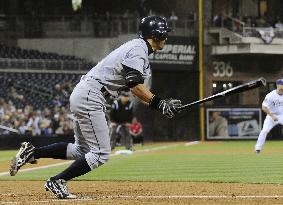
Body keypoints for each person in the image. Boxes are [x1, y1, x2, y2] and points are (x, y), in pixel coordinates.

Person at [9, 16, 182, 199]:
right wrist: (160, 103)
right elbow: (135, 85)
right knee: (101, 154)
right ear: (156, 34)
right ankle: (57, 181)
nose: (166, 37)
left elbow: (135, 90)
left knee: (81, 150)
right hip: (91, 95)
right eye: (165, 34)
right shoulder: (138, 50)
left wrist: (161, 107)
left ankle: (33, 151)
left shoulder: (138, 49)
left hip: (86, 93)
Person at [255, 79, 283, 154]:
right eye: (282, 84)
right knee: (265, 131)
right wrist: (272, 115)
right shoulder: (270, 95)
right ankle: (257, 149)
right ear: (278, 85)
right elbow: (264, 107)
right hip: (271, 116)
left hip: (281, 115)